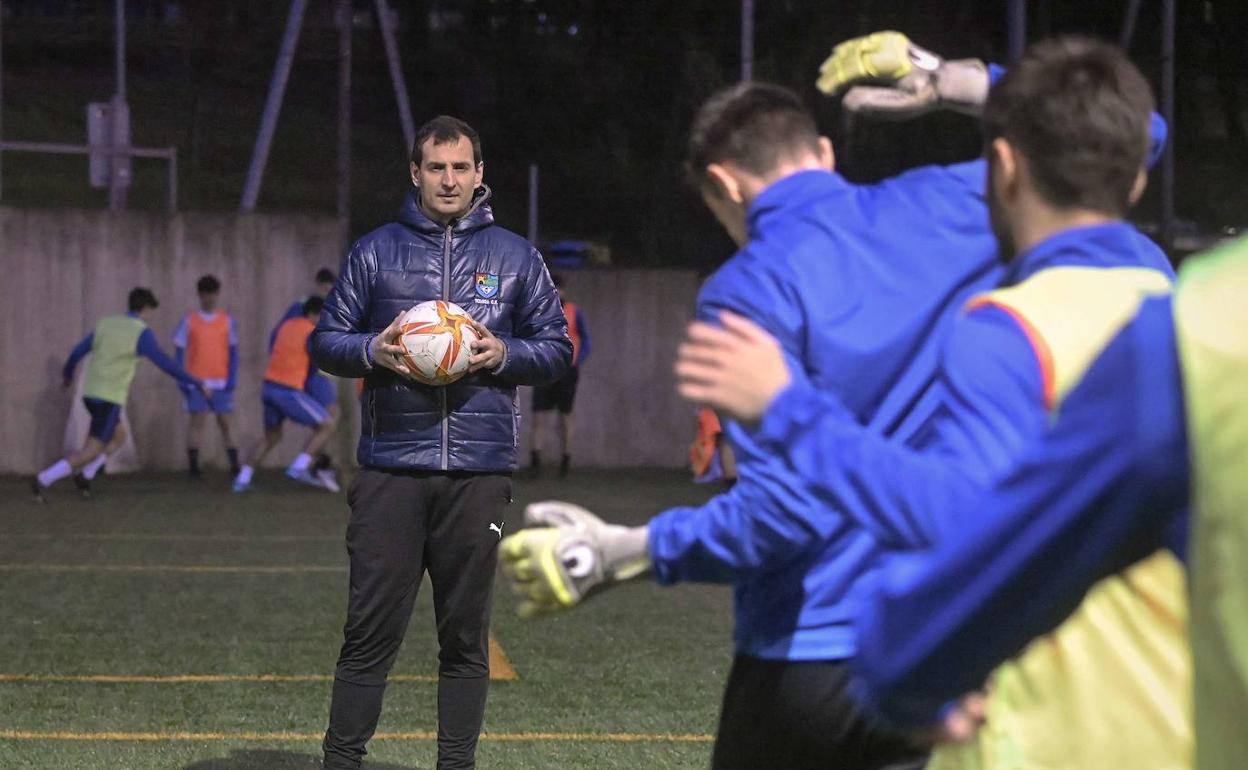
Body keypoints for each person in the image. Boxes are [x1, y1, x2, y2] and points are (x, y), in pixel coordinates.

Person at [501, 37, 1172, 770]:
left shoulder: (746, 289)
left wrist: (628, 550)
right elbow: (1124, 139)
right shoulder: (952, 203)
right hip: (952, 645)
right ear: (823, 152)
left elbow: (782, 516)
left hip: (811, 660)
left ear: (723, 187)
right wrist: (950, 82)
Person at [848, 236, 1247, 770]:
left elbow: (991, 545)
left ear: (1007, 166)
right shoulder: (1171, 299)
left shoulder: (1200, 325)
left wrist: (790, 414)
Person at [311, 115, 571, 770]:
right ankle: (341, 762)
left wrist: (501, 350)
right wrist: (375, 349)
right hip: (391, 471)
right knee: (368, 635)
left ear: (479, 174)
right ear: (416, 174)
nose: (449, 179)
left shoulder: (514, 257)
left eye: (461, 167)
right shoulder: (375, 251)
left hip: (477, 472)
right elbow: (327, 341)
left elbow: (556, 350)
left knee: (463, 639)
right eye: (436, 167)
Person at [31, 287, 205, 502]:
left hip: (91, 393)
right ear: (145, 308)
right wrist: (197, 382)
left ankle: (86, 476)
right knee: (90, 450)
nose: (151, 317)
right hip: (108, 398)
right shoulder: (141, 332)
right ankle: (43, 479)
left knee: (119, 435)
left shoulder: (107, 323)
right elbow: (166, 364)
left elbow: (78, 351)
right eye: (151, 311)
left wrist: (67, 375)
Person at [232, 297, 337, 492]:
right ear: (314, 314)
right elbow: (315, 364)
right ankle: (299, 467)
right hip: (287, 391)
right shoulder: (311, 332)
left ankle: (242, 479)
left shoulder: (287, 325)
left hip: (269, 388)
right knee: (327, 424)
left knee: (271, 436)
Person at [272, 267, 341, 491]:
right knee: (329, 418)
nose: (327, 290)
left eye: (330, 287)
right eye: (324, 286)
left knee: (326, 420)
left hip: (322, 370)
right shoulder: (300, 307)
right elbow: (277, 336)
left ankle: (313, 465)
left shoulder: (334, 306)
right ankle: (311, 466)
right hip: (311, 373)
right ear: (318, 285)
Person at [173, 274, 240, 477]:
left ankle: (235, 465)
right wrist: (182, 379)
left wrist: (232, 377)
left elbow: (234, 351)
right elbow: (179, 351)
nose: (209, 298)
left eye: (212, 294)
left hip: (220, 381)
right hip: (197, 381)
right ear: (199, 295)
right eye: (205, 294)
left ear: (217, 295)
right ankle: (193, 467)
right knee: (197, 422)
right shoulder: (189, 321)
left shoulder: (226, 321)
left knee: (226, 422)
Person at [529, 273, 590, 477]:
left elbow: (586, 340)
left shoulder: (574, 312)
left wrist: (576, 362)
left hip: (567, 372)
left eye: (558, 289)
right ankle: (535, 461)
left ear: (563, 290)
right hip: (544, 369)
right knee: (539, 417)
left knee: (566, 417)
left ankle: (566, 459)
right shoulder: (540, 310)